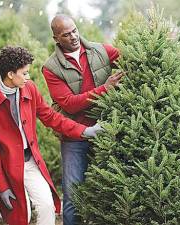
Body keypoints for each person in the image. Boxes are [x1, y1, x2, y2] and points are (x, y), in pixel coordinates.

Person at [0, 46, 102, 225]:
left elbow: (51, 117)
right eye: (25, 73)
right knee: (21, 217)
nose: (28, 78)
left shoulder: (30, 89)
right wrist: (1, 186)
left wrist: (84, 131)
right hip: (8, 169)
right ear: (11, 74)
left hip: (30, 162)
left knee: (47, 206)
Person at [42, 14, 123, 225]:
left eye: (74, 30)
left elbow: (133, 59)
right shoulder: (51, 67)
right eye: (66, 34)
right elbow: (69, 103)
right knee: (73, 193)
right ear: (56, 38)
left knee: (112, 190)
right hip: (74, 137)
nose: (73, 37)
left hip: (107, 132)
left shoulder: (101, 51)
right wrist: (106, 88)